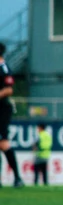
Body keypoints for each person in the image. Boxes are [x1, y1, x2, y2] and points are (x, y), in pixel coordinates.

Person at [0, 43, 23, 187]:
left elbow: (9, 90)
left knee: (3, 143)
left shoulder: (4, 68)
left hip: (2, 109)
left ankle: (17, 178)